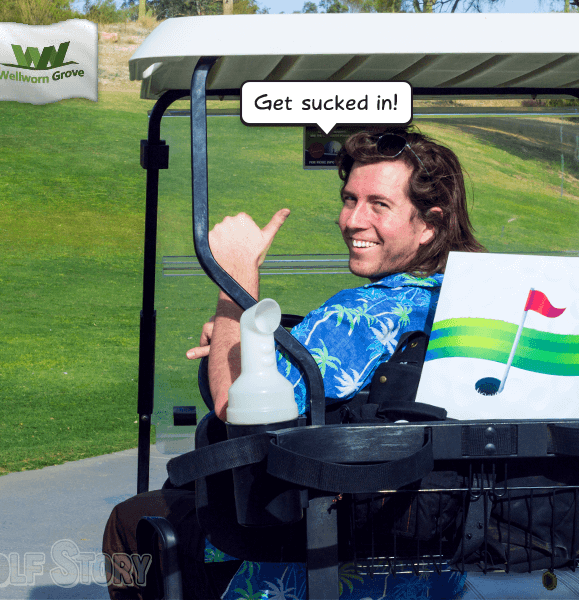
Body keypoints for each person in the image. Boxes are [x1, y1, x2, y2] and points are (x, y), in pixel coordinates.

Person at [103, 128, 485, 600]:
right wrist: (236, 337)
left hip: (301, 556)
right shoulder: (471, 307)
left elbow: (234, 404)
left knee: (130, 519)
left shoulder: (361, 317)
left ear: (429, 223)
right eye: (349, 200)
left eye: (378, 205)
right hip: (431, 558)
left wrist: (235, 281)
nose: (353, 220)